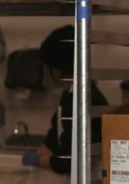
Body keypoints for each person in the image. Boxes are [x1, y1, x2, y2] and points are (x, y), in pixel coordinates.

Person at [34, 25, 107, 174]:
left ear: (56, 68)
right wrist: (36, 156)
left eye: (46, 66)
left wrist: (42, 160)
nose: (44, 72)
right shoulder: (69, 95)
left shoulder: (84, 99)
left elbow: (73, 161)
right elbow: (54, 139)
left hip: (90, 182)